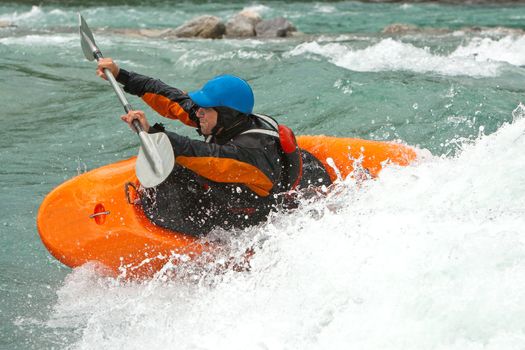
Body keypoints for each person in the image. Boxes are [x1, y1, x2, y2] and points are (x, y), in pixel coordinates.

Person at [96, 58, 331, 236]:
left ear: (226, 114)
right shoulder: (223, 121)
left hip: (254, 216)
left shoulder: (250, 152)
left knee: (180, 173)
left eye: (204, 109)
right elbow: (172, 98)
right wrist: (121, 75)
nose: (197, 113)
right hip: (242, 185)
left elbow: (203, 155)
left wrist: (152, 133)